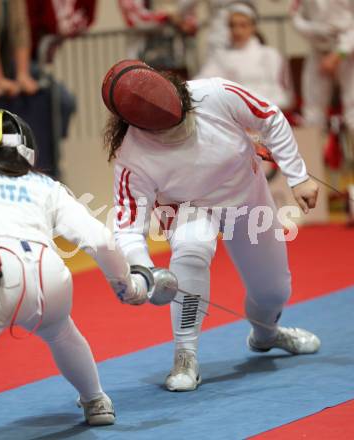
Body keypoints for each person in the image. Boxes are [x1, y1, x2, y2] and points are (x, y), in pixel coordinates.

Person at [0, 109, 174, 438]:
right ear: (27, 149)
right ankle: (96, 399)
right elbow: (100, 239)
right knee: (60, 330)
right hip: (49, 274)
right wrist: (131, 287)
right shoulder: (46, 186)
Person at [102, 60, 321, 392]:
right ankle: (185, 355)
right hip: (189, 208)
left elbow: (270, 117)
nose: (179, 131)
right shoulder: (132, 156)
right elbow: (129, 226)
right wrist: (144, 270)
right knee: (192, 248)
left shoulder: (215, 93)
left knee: (274, 291)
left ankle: (265, 336)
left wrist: (299, 176)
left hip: (246, 196)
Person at [291, 0, 354, 224]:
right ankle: (308, 188)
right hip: (318, 49)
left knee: (353, 115)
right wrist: (317, 33)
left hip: (348, 46)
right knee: (312, 118)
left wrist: (340, 53)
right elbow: (296, 17)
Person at [196, 2, 292, 110]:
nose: (237, 31)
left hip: (270, 111)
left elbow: (282, 92)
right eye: (232, 25)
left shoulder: (270, 55)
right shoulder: (222, 58)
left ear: (253, 27)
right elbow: (201, 83)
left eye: (243, 25)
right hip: (237, 113)